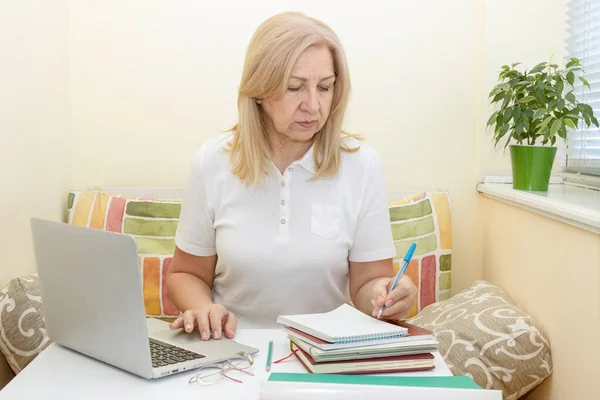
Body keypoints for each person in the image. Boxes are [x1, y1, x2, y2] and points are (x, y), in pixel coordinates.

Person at [166, 11, 417, 341]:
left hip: (327, 352)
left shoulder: (362, 165)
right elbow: (185, 274)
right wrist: (202, 307)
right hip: (231, 348)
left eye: (325, 87)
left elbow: (368, 283)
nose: (313, 106)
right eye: (294, 87)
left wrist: (387, 294)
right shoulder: (213, 162)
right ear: (259, 90)